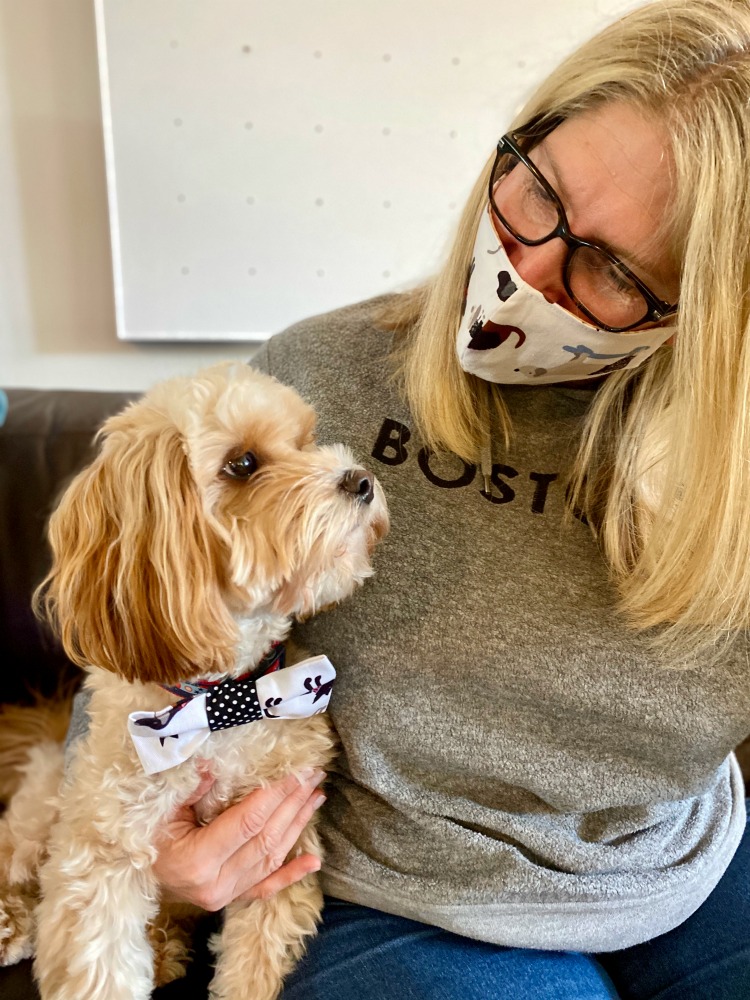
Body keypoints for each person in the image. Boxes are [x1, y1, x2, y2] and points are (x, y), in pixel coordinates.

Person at [16, 0, 750, 997]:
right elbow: (139, 649)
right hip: (394, 886)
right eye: (537, 190)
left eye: (614, 270)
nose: (527, 268)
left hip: (682, 868)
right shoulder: (320, 374)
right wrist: (154, 849)